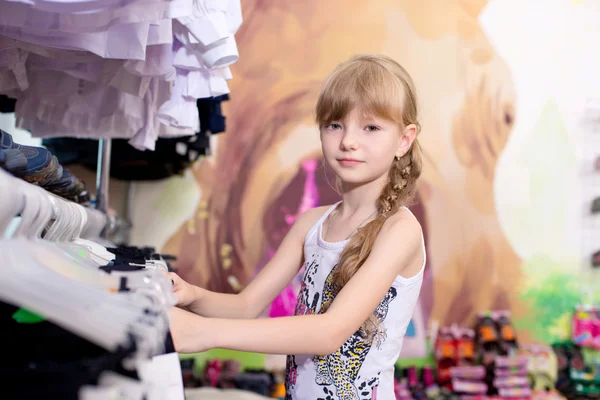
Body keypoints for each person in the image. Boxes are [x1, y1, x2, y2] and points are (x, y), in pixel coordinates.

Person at [168, 54, 426, 400]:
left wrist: (205, 333)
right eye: (335, 125)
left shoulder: (399, 231)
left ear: (404, 140)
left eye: (371, 127)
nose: (348, 140)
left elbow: (329, 332)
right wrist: (192, 295)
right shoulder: (311, 223)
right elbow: (246, 306)